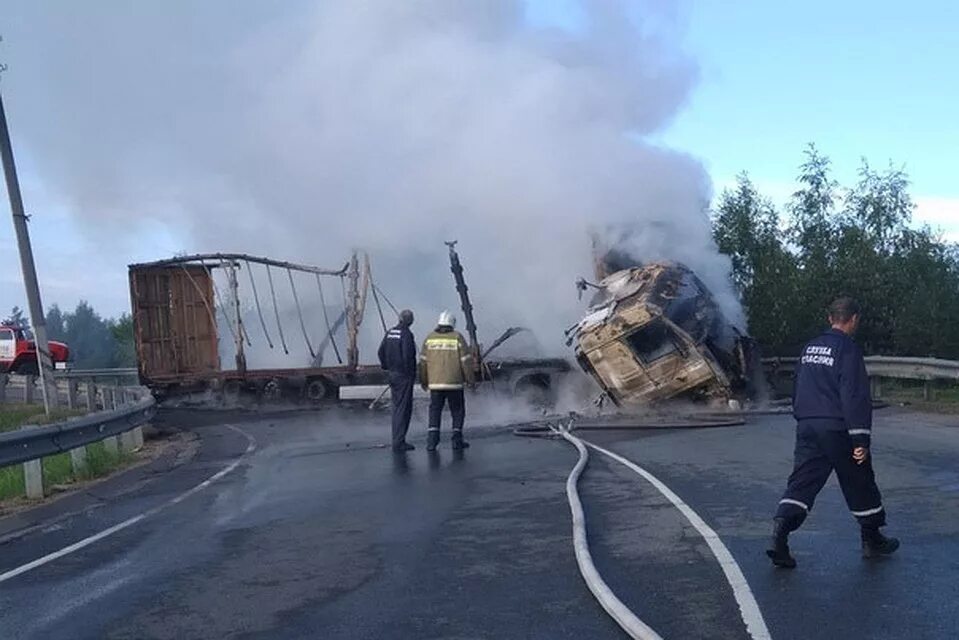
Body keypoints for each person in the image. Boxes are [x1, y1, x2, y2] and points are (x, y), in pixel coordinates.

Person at [767, 296, 899, 569]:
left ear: (830, 318)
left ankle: (779, 535)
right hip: (837, 427)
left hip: (808, 425)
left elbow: (798, 386)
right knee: (859, 479)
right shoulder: (847, 350)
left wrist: (802, 416)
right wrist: (860, 438)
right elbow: (853, 395)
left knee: (802, 481)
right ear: (854, 320)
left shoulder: (809, 348)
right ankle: (872, 540)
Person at [419, 311, 475, 452]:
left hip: (435, 384)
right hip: (454, 383)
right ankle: (457, 440)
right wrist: (470, 380)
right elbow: (466, 362)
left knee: (435, 411)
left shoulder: (429, 338)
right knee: (457, 410)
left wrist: (424, 381)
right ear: (452, 323)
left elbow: (423, 363)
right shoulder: (457, 338)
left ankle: (432, 442)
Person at [377, 309, 417, 452]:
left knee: (396, 408)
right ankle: (399, 442)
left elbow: (380, 351)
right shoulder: (406, 334)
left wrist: (386, 366)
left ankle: (398, 439)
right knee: (403, 409)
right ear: (410, 321)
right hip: (403, 376)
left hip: (393, 374)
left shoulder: (390, 333)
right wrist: (410, 373)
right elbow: (408, 355)